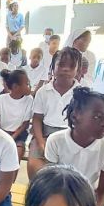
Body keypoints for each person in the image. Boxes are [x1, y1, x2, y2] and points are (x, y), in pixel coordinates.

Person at [27, 47, 81, 178]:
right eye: (61, 65)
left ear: (78, 70)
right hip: (45, 134)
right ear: (52, 67)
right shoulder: (43, 91)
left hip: (71, 136)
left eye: (71, 66)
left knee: (70, 172)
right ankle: (37, 189)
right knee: (34, 164)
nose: (65, 69)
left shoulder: (81, 93)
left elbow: (82, 123)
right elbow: (37, 119)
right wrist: (41, 142)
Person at [0, 69, 34, 160]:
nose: (30, 86)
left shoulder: (29, 99)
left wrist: (13, 137)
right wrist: (5, 137)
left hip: (19, 135)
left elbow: (25, 124)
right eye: (27, 84)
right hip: (1, 133)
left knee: (18, 152)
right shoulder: (1, 99)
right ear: (15, 87)